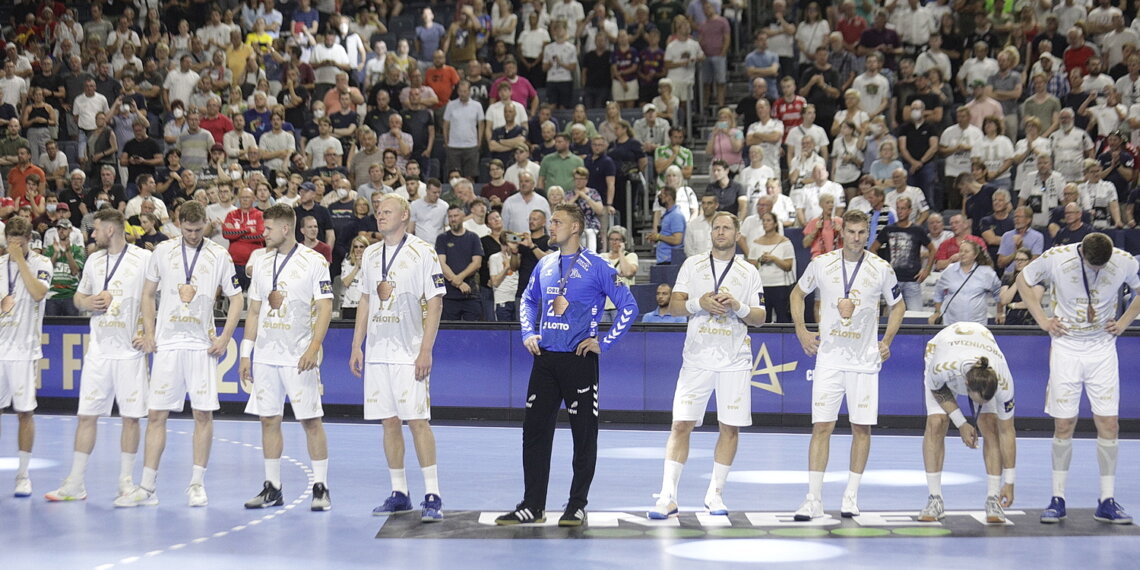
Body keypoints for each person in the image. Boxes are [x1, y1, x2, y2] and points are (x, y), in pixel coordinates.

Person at [496, 205, 638, 527]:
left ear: (575, 227)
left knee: (583, 435)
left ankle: (576, 505)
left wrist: (605, 342)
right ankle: (533, 505)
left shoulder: (597, 266)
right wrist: (529, 332)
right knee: (534, 433)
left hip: (579, 361)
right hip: (544, 360)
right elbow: (528, 301)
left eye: (557, 222)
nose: (551, 226)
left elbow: (629, 306)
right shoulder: (545, 265)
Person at [115, 201, 244, 508]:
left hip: (201, 345)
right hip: (168, 344)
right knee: (156, 414)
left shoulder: (219, 255)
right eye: (188, 230)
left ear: (206, 226)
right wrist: (148, 332)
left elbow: (237, 299)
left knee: (203, 414)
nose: (194, 235)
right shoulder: (162, 251)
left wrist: (225, 337)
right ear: (178, 223)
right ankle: (147, 487)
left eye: (199, 230)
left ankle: (197, 484)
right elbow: (147, 293)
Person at [648, 211, 766, 520]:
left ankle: (715, 493)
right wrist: (698, 303)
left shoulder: (748, 271)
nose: (721, 232)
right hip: (697, 359)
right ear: (710, 232)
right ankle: (668, 495)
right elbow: (674, 306)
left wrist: (737, 306)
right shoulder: (693, 265)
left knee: (730, 427)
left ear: (737, 234)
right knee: (680, 424)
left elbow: (760, 317)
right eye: (716, 227)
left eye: (727, 227)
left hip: (734, 361)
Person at [1016, 233, 1140, 524]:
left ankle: (1106, 500)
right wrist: (1043, 319)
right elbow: (1023, 278)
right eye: (1093, 267)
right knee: (1064, 423)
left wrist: (1124, 322)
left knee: (1109, 422)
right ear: (1082, 252)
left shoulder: (1122, 260)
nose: (1097, 272)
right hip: (1066, 347)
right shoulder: (1057, 257)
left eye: (1102, 267)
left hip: (1102, 348)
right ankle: (1057, 498)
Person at [790, 209, 906, 520]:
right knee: (821, 427)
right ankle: (813, 498)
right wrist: (801, 330)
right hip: (829, 359)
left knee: (861, 428)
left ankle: (851, 496)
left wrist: (887, 341)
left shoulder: (881, 269)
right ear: (843, 234)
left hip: (864, 362)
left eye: (861, 233)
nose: (856, 238)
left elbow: (898, 306)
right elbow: (797, 293)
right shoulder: (822, 264)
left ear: (868, 234)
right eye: (851, 232)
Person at [350, 193, 447, 522]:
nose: (380, 215)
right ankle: (399, 492)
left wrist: (425, 350)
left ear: (405, 215)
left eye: (387, 211)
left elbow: (435, 303)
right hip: (378, 352)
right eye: (378, 211)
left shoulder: (423, 252)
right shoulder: (371, 254)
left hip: (409, 352)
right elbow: (364, 300)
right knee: (388, 422)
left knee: (418, 420)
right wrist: (356, 345)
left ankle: (432, 494)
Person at [45, 210, 151, 502]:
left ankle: (126, 482)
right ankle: (75, 482)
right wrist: (87, 301)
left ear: (111, 230)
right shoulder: (93, 260)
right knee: (86, 416)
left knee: (131, 418)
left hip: (130, 352)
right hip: (99, 351)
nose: (91, 234)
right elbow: (79, 297)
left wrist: (150, 333)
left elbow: (158, 298)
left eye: (96, 229)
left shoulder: (143, 260)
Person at [239, 204, 333, 511]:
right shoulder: (261, 262)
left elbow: (325, 308)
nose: (262, 233)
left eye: (267, 229)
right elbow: (254, 310)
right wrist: (245, 353)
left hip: (298, 354)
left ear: (284, 229)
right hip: (266, 355)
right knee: (268, 420)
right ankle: (273, 487)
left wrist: (313, 347)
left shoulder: (314, 261)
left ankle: (321, 487)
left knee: (310, 420)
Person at [917, 322, 1017, 524]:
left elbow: (1007, 431)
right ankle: (934, 499)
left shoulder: (1004, 381)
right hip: (942, 348)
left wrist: (1010, 481)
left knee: (990, 423)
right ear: (967, 386)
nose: (984, 404)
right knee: (936, 422)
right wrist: (961, 422)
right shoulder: (942, 368)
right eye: (980, 400)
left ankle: (993, 498)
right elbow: (938, 390)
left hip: (982, 341)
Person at [0, 217, 52, 497]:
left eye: (20, 243)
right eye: (11, 242)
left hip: (23, 351)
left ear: (29, 241)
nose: (15, 247)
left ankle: (22, 474)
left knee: (24, 412)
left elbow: (38, 293)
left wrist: (20, 261)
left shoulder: (42, 264)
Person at [930, 240, 1002, 326]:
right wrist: (937, 312)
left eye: (966, 251)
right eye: (961, 251)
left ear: (975, 255)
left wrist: (1000, 312)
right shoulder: (949, 271)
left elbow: (999, 294)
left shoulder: (986, 273)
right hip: (951, 324)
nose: (962, 254)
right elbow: (938, 295)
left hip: (977, 324)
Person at [436, 205, 484, 321]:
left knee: (474, 332)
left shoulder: (473, 237)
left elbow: (477, 263)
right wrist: (458, 283)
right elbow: (441, 264)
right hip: (449, 296)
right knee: (450, 333)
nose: (453, 219)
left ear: (463, 216)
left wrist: (459, 278)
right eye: (450, 216)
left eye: (456, 216)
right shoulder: (442, 238)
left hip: (471, 294)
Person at [747, 212, 795, 323]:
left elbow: (788, 266)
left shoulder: (785, 242)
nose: (765, 223)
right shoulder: (756, 243)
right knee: (763, 318)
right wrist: (761, 260)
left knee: (783, 317)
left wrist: (774, 259)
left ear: (775, 223)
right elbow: (750, 266)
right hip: (762, 286)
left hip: (780, 286)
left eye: (768, 220)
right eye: (763, 220)